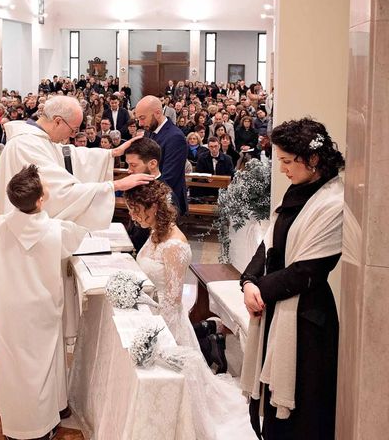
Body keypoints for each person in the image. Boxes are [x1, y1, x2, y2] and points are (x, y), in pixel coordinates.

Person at [0, 96, 153, 350]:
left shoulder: (37, 139)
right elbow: (58, 192)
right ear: (58, 121)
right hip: (25, 252)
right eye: (72, 130)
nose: (71, 137)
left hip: (29, 243)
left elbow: (67, 155)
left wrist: (110, 154)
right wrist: (113, 186)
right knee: (29, 337)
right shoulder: (26, 146)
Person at [240, 118, 345, 440]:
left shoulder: (334, 201)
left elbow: (308, 271)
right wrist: (248, 282)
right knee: (272, 413)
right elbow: (270, 242)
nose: (282, 169)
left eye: (287, 161)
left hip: (307, 321)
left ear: (312, 159)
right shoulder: (297, 190)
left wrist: (260, 288)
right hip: (276, 306)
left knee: (302, 414)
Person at [124, 181, 252, 440]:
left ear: (155, 207)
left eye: (137, 210)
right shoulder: (155, 233)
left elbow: (171, 300)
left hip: (167, 323)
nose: (133, 216)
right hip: (152, 313)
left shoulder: (175, 246)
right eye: (131, 210)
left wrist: (159, 337)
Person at [0, 165, 86, 440]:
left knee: (14, 365)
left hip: (10, 307)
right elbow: (83, 237)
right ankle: (40, 424)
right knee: (43, 364)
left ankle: (17, 422)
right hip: (43, 308)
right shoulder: (58, 230)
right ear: (40, 200)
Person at [135, 95, 188, 215]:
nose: (140, 123)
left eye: (142, 118)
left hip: (167, 204)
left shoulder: (175, 137)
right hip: (150, 198)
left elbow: (169, 177)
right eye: (138, 119)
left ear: (158, 113)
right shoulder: (149, 132)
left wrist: (144, 195)